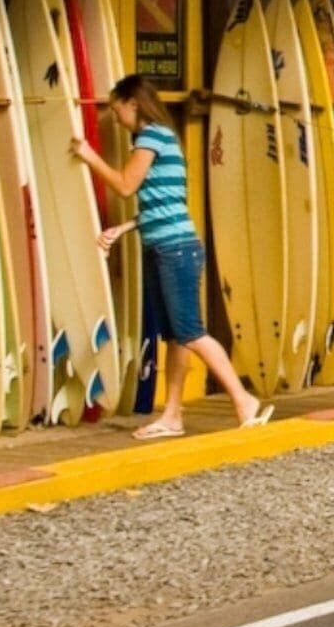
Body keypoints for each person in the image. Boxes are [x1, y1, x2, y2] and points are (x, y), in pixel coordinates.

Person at [76, 75, 267, 440]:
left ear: (133, 103)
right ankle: (173, 415)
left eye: (116, 109)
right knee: (177, 337)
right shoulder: (166, 137)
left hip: (173, 249)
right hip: (170, 246)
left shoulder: (150, 137)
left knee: (190, 331)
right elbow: (164, 203)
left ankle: (244, 400)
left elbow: (125, 185)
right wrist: (124, 228)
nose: (115, 117)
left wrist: (89, 157)